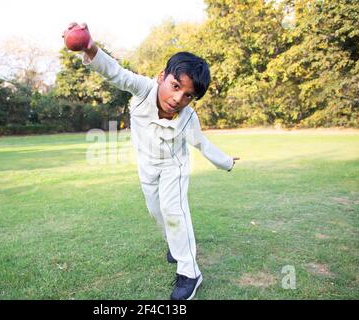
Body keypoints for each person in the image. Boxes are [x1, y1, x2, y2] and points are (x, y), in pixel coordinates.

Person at [63, 23, 240, 300]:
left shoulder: (189, 118)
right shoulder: (144, 89)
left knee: (173, 211)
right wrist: (90, 48)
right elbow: (116, 73)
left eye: (188, 96)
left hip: (174, 167)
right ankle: (175, 244)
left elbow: (201, 143)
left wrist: (226, 161)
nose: (178, 98)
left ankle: (190, 272)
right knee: (157, 212)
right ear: (162, 77)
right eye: (175, 86)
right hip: (146, 166)